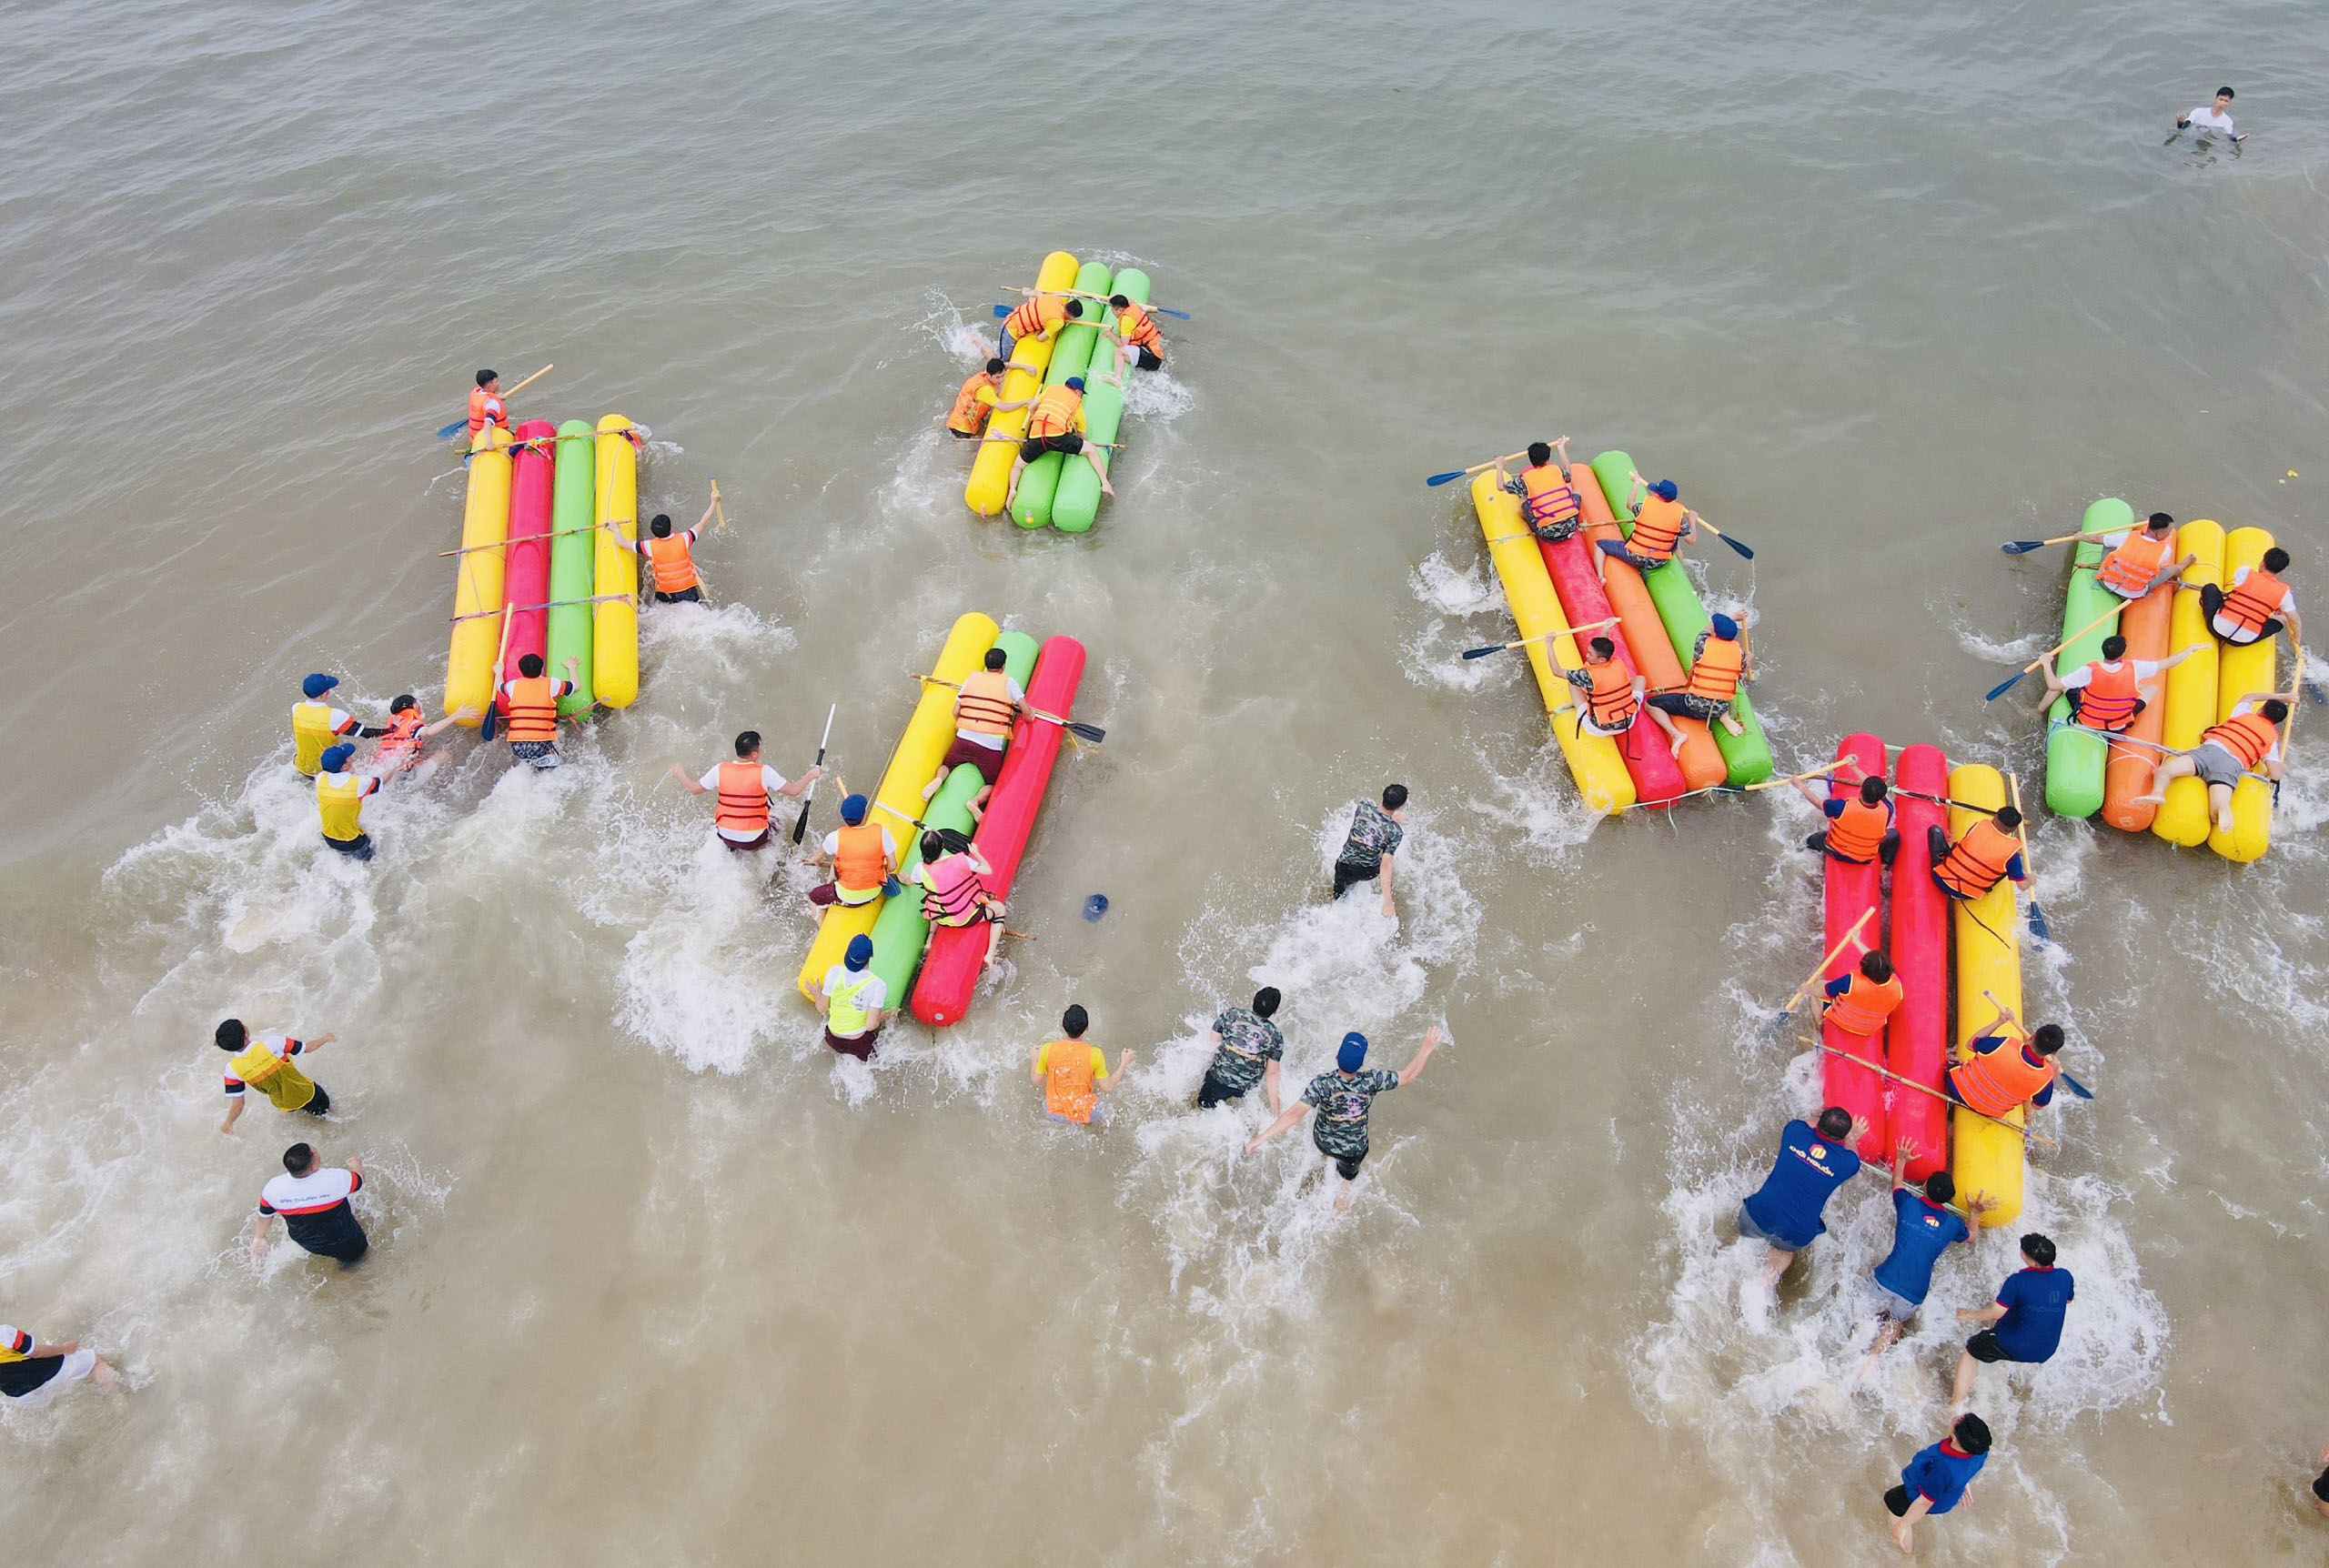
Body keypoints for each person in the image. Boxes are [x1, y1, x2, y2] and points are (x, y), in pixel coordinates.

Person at [1245, 1026, 1441, 1211]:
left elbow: (1295, 1114)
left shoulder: (1322, 1084)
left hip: (1324, 1142)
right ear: (1361, 1064)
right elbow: (1407, 1077)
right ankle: (1341, 1202)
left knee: (1326, 1153)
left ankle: (1324, 1162)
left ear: (1337, 1056)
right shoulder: (1372, 1080)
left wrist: (1260, 1138)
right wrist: (1426, 1048)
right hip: (1353, 1150)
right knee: (1348, 1179)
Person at [1864, 1139, 1989, 1363]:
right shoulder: (1952, 1224)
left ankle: (1859, 1342)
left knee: (1865, 1314)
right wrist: (1974, 1213)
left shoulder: (1908, 1204)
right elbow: (1972, 1236)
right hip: (1914, 1292)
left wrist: (1901, 1160)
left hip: (1885, 1279)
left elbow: (1897, 1183)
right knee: (1895, 1323)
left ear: (1923, 1187)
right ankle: (1873, 1359)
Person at [1739, 1106, 1872, 1293]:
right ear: (1842, 1137)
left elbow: (1809, 1123)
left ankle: (1736, 1255)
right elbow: (1853, 1154)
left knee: (1745, 1236)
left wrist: (1821, 1112)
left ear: (1819, 1122)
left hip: (1757, 1215)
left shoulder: (1794, 1131)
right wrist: (1853, 1137)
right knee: (1784, 1251)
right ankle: (1765, 1281)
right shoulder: (1847, 1163)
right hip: (1797, 1233)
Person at [2128, 691, 2293, 838]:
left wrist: (2282, 696)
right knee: (2216, 810)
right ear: (2276, 722)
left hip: (2210, 752)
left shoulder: (2243, 714)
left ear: (2261, 709)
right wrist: (2282, 767)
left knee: (2164, 771)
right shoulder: (2271, 739)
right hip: (2231, 766)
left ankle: (2158, 793)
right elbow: (2275, 774)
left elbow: (2250, 696)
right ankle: (2222, 810)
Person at [1951, 1231, 2073, 1410]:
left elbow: (1995, 1313)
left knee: (1972, 1348)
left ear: (2033, 1262)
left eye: (2023, 1251)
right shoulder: (2065, 1276)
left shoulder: (2017, 1281)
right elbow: (2068, 1300)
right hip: (2046, 1350)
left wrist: (1968, 1314)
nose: (2021, 1252)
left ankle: (1956, 1404)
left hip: (2018, 1346)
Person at [669, 729, 818, 853]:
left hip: (726, 837)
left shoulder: (720, 769)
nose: (762, 749)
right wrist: (811, 775)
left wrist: (679, 773)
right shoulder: (764, 772)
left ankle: (735, 849)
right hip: (754, 840)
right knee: (778, 821)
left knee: (734, 828)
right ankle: (771, 856)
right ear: (754, 755)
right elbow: (794, 790)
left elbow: (693, 789)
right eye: (761, 747)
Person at [923, 647, 1024, 819]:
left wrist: (964, 726)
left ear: (985, 665)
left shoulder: (972, 679)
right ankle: (975, 801)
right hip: (988, 748)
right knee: (995, 783)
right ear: (1003, 667)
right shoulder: (1009, 682)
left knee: (947, 765)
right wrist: (1029, 715)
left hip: (963, 740)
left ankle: (939, 779)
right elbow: (1026, 711)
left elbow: (956, 712)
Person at [1884, 1413, 1993, 1555]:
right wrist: (1964, 1483)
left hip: (1927, 1496)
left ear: (1955, 1438)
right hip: (1948, 1494)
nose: (1957, 1416)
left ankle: (1906, 1553)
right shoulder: (1980, 1451)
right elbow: (1967, 1467)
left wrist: (1901, 1526)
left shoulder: (1943, 1470)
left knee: (1894, 1503)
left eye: (1958, 1421)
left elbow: (1924, 1503)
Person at [249, 1142, 369, 1266]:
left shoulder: (273, 1187)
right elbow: (359, 1181)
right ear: (313, 1167)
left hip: (307, 1242)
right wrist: (356, 1165)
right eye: (315, 1152)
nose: (317, 1151)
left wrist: (259, 1237)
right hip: (342, 1239)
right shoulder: (335, 1178)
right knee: (357, 1258)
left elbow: (265, 1215)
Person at [2042, 634, 2193, 732]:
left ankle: (2038, 711)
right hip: (2118, 726)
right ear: (2124, 652)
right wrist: (2190, 650)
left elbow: (2053, 685)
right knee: (2152, 688)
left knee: (2063, 680)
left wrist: (2046, 664)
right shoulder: (2136, 668)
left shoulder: (2089, 671)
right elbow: (2170, 662)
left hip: (2088, 721)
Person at [1648, 613, 1751, 751]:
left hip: (1694, 707)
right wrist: (1750, 658)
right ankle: (1723, 716)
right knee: (1722, 686)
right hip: (1720, 706)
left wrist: (1732, 617)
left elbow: (1707, 629)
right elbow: (1744, 667)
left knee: (1651, 704)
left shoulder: (1703, 643)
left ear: (1715, 633)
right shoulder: (1739, 653)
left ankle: (1676, 734)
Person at [1947, 996, 2062, 1120]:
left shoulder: (2007, 1044)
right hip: (1987, 1112)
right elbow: (2036, 1106)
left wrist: (1999, 1021)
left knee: (1952, 1057)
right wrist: (2051, 1074)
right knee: (2029, 1097)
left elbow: (1970, 1044)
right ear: (2053, 1053)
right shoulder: (2045, 1079)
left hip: (1954, 1087)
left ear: (2032, 1036)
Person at [1004, 375, 1114, 501]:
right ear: (1078, 392)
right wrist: (1075, 435)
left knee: (1018, 465)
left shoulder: (1051, 389)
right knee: (1091, 450)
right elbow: (1082, 437)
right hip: (1057, 438)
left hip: (1036, 436)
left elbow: (1031, 406)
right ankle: (1105, 484)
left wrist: (1036, 416)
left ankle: (1012, 490)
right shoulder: (1077, 403)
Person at [907, 830, 1007, 967]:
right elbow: (987, 870)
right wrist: (976, 852)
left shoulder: (920, 869)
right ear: (942, 846)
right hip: (966, 918)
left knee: (933, 900)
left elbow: (910, 881)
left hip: (942, 918)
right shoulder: (960, 860)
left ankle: (930, 940)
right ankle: (990, 955)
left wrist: (903, 878)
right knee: (1000, 909)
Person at [217, 1019, 336, 1133]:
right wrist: (325, 1038)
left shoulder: (232, 1070)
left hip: (285, 1105)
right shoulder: (272, 1043)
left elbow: (238, 1104)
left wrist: (228, 1123)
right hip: (309, 1093)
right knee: (330, 1116)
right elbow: (307, 1048)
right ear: (245, 1034)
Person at [2059, 511, 2194, 601]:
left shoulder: (2126, 537)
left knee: (2108, 543)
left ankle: (2106, 568)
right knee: (2172, 568)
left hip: (2107, 583)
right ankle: (2183, 565)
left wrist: (2081, 536)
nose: (2169, 534)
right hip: (2135, 593)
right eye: (2169, 532)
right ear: (2159, 534)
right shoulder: (2166, 551)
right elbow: (2155, 567)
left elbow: (2096, 539)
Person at [1030, 1005, 1131, 1125]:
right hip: (1085, 1113)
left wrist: (1034, 1058)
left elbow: (1036, 1080)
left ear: (1063, 1025)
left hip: (1054, 1113)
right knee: (1109, 1113)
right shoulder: (1095, 1054)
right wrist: (1124, 1063)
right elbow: (1107, 1087)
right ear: (1087, 1028)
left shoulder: (1048, 1049)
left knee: (1047, 1103)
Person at [611, 492, 719, 605]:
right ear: (670, 528)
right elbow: (704, 523)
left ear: (653, 532)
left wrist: (616, 529)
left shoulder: (648, 546)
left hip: (666, 594)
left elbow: (621, 542)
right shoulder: (685, 538)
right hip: (688, 592)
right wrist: (713, 501)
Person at [1196, 987, 1285, 1111]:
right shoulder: (1276, 1036)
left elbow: (1211, 1047)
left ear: (1254, 999)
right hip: (1246, 1090)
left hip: (1218, 1080)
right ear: (1275, 1011)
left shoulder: (1231, 1015)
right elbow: (1272, 1074)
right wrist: (1276, 1112)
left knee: (1202, 1111)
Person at [2202, 546, 2300, 651]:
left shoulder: (2245, 572)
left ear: (2262, 563)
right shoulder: (2284, 592)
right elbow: (2295, 620)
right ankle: (2279, 618)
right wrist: (2296, 637)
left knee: (2210, 588)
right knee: (2281, 621)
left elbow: (2238, 589)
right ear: (2280, 571)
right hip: (2242, 641)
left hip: (2216, 628)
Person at [808, 793, 899, 907]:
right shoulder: (882, 833)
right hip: (874, 892)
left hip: (847, 897)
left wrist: (813, 860)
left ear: (843, 817)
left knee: (813, 896)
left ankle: (824, 907)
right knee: (838, 861)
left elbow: (816, 858)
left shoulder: (835, 837)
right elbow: (893, 866)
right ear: (865, 814)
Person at [1331, 784, 1407, 919]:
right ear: (1400, 806)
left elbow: (1375, 819)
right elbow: (1386, 864)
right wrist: (1387, 900)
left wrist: (1391, 819)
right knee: (1383, 850)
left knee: (1339, 894)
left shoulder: (1363, 807)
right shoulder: (1395, 832)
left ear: (1383, 795)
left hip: (1344, 865)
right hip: (1368, 872)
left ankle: (1337, 911)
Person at [493, 652, 580, 770]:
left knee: (529, 766)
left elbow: (499, 685)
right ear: (542, 669)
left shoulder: (513, 686)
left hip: (518, 746)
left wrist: (499, 672)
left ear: (521, 670)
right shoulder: (552, 684)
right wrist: (572, 667)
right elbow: (576, 686)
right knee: (550, 770)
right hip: (540, 745)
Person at [0, 1322, 117, 1406]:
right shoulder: (3, 1333)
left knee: (51, 1405)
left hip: (23, 1395)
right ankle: (118, 1401)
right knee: (96, 1360)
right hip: (48, 1372)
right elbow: (36, 1352)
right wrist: (65, 1348)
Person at [1600, 475, 1693, 580]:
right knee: (1675, 539)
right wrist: (1692, 520)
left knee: (1600, 545)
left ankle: (1601, 577)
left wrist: (1636, 485)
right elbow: (1691, 540)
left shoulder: (1644, 507)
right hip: (1659, 562)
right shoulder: (1679, 518)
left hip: (1635, 557)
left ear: (1658, 495)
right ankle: (1681, 567)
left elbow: (1629, 504)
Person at [1797, 772, 1899, 867]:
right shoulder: (1888, 809)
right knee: (1894, 835)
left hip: (1837, 852)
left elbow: (1819, 804)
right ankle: (1884, 866)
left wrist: (1801, 787)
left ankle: (1803, 855)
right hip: (1865, 859)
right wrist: (1853, 767)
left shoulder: (1841, 806)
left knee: (1813, 839)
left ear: (1860, 791)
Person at [1929, 806, 2028, 901]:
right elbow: (2022, 886)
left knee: (1935, 830)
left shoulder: (1979, 826)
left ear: (1995, 817)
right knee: (2008, 866)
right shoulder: (2013, 854)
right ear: (2014, 829)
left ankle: (1938, 859)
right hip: (1966, 893)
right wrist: (2031, 879)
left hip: (1940, 878)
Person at [814, 934, 889, 1060]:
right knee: (878, 1057)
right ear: (871, 956)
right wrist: (884, 1016)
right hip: (858, 1043)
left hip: (832, 1039)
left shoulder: (834, 972)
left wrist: (817, 993)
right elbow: (871, 1025)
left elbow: (821, 1008)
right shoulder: (878, 985)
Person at [1559, 636, 1645, 741]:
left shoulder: (1587, 676)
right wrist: (1606, 630)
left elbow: (1557, 671)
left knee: (1572, 683)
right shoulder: (1616, 663)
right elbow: (1604, 649)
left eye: (1590, 654)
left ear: (1602, 659)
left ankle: (1582, 711)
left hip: (1598, 728)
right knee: (1640, 679)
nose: (1587, 655)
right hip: (1628, 722)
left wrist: (1549, 644)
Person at [1495, 439, 1582, 541]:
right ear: (1547, 459)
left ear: (1531, 460)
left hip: (1547, 534)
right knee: (1575, 490)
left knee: (1523, 500)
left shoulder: (1524, 480)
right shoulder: (1557, 470)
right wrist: (1561, 448)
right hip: (1571, 526)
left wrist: (1499, 466)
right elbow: (1568, 468)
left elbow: (1500, 486)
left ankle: (1529, 521)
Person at [369, 695, 477, 777]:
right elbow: (429, 732)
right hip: (408, 777)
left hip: (385, 774)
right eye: (416, 703)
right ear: (411, 706)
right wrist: (456, 715)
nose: (419, 705)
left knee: (423, 754)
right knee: (444, 754)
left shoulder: (393, 726)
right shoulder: (412, 723)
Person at [314, 743, 381, 861]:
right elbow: (382, 781)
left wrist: (366, 763)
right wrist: (398, 766)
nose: (352, 758)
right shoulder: (358, 784)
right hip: (352, 841)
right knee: (372, 860)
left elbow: (344, 778)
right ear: (344, 767)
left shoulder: (320, 778)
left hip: (328, 837)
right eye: (349, 757)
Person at [292, 673, 363, 778]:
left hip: (302, 767)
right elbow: (363, 732)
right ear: (323, 695)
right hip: (326, 770)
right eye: (327, 691)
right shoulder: (334, 715)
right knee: (352, 762)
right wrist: (387, 731)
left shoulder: (296, 708)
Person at [1821, 950, 1905, 1038]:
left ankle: (1818, 1025)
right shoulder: (1898, 987)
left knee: (1818, 991)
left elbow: (1828, 990)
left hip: (1843, 1020)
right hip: (1870, 1029)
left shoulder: (1850, 981)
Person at [996, 291, 1083, 361]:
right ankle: (988, 351)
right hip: (1011, 330)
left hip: (1013, 316)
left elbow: (1038, 294)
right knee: (1003, 359)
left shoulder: (1055, 299)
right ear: (1071, 317)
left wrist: (1027, 292)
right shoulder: (1057, 322)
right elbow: (1040, 338)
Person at [945, 357, 1008, 440]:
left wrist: (1023, 367)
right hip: (962, 429)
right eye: (998, 377)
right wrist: (1024, 403)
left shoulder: (982, 376)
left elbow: (1005, 365)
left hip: (957, 419)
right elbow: (1004, 408)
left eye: (1003, 376)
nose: (1001, 380)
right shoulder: (984, 390)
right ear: (989, 375)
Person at [1106, 292, 1166, 376]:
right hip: (1155, 350)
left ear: (1120, 310)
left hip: (1152, 359)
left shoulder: (1126, 320)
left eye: (1112, 310)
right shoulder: (1134, 306)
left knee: (1119, 351)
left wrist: (1109, 334)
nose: (1112, 312)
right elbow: (1130, 300)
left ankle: (1117, 378)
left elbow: (1123, 344)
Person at [2176, 85, 2247, 143]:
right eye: (2221, 99)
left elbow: (2229, 136)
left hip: (2208, 142)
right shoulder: (2198, 111)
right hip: (2191, 140)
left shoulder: (2227, 121)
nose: (2222, 103)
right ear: (2216, 98)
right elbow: (2184, 126)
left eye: (2226, 101)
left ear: (2229, 103)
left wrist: (2236, 140)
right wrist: (2180, 123)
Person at [467, 369, 512, 447]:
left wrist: (496, 397)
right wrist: (489, 443)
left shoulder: (476, 393)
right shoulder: (493, 403)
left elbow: (486, 401)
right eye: (496, 381)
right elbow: (487, 423)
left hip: (475, 439)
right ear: (489, 385)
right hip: (486, 441)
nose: (499, 383)